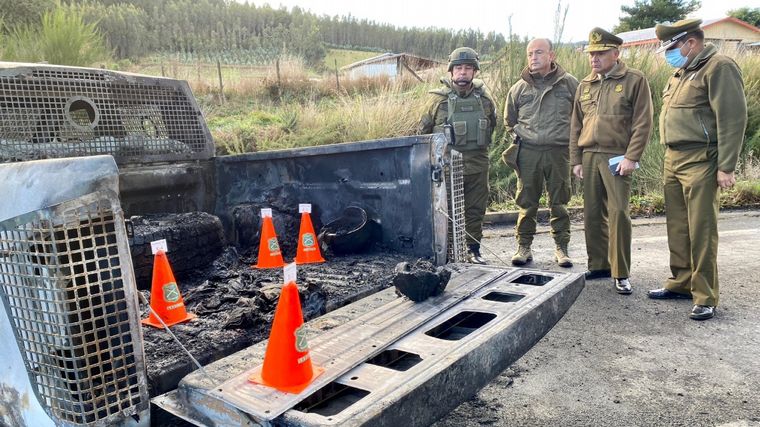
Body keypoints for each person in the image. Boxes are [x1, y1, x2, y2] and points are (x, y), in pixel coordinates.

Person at [647, 19, 748, 321]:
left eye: (672, 47)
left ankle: (705, 295)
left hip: (702, 159)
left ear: (690, 42)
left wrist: (726, 166)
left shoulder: (719, 67)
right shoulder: (681, 73)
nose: (669, 54)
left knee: (702, 230)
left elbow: (733, 118)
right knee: (678, 226)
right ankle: (681, 283)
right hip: (673, 158)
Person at [569, 28, 653, 294]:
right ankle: (599, 265)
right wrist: (576, 159)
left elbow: (643, 122)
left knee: (618, 214)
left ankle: (621, 272)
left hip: (617, 156)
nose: (594, 58)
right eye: (592, 54)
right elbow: (575, 126)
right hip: (590, 155)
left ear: (616, 54)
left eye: (601, 53)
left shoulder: (634, 80)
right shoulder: (585, 84)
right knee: (593, 214)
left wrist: (632, 157)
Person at [504, 38, 579, 268]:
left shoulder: (569, 85)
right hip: (529, 154)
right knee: (527, 202)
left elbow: (581, 117)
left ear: (551, 55)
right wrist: (523, 136)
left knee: (560, 202)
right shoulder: (519, 88)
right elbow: (510, 121)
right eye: (530, 54)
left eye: (538, 52)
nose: (533, 58)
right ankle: (523, 247)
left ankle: (562, 248)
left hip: (559, 153)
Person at [419, 47, 498, 264]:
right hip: (446, 167)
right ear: (451, 71)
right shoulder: (437, 101)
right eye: (459, 68)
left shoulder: (485, 101)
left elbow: (492, 127)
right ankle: (449, 253)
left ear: (475, 72)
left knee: (475, 210)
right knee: (446, 212)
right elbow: (422, 134)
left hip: (477, 166)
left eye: (468, 68)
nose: (463, 72)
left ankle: (474, 250)